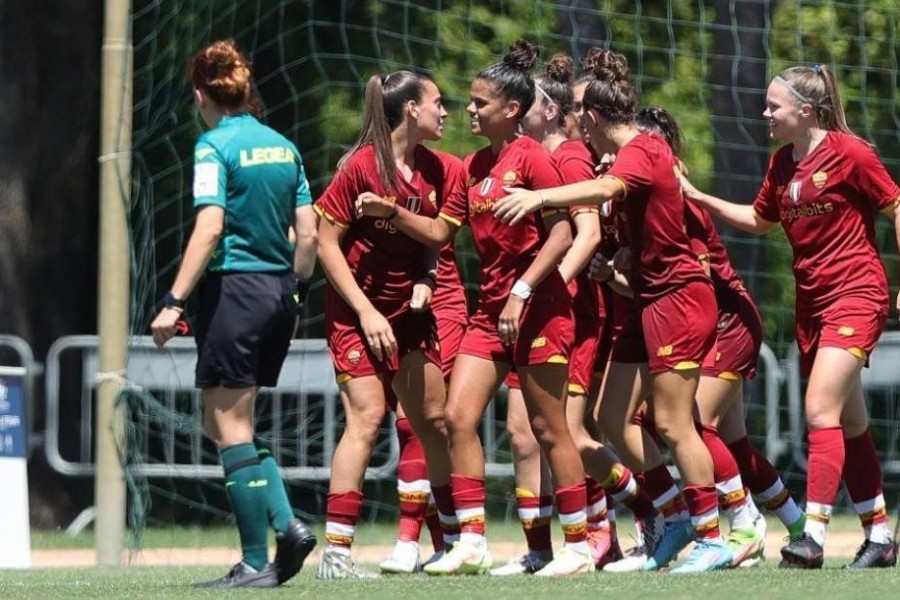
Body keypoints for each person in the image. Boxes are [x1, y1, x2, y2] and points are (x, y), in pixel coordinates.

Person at [358, 40, 594, 578]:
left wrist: (522, 291)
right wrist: (391, 211)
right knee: (455, 418)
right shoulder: (471, 166)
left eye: (479, 104)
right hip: (490, 314)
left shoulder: (534, 157)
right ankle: (473, 541)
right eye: (466, 101)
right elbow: (441, 231)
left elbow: (563, 233)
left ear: (511, 111)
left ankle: (577, 546)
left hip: (540, 309)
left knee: (548, 426)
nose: (467, 110)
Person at [493, 47, 733, 573]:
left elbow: (605, 189)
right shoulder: (623, 155)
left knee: (671, 423)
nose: (576, 124)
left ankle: (714, 535)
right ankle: (673, 519)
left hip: (678, 298)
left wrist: (539, 200)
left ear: (594, 118)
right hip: (643, 297)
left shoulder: (643, 151)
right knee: (609, 418)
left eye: (579, 114)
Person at [678, 64, 900, 569]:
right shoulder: (782, 164)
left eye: (774, 105)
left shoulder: (851, 153)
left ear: (806, 109)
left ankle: (813, 535)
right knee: (850, 421)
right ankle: (881, 536)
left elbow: (896, 205)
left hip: (857, 294)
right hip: (812, 305)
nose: (765, 113)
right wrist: (698, 198)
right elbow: (759, 221)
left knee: (819, 409)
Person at [150, 39, 318, 588]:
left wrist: (174, 300)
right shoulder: (283, 146)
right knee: (229, 423)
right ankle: (283, 531)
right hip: (279, 293)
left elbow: (211, 227)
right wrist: (295, 288)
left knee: (227, 424)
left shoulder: (212, 146)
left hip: (235, 290)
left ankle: (261, 551)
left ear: (202, 93)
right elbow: (309, 232)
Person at [313, 70, 457, 578]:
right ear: (412, 109)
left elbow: (436, 238)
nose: (447, 111)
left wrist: (428, 277)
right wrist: (366, 311)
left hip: (410, 314)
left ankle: (453, 544)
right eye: (439, 102)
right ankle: (336, 554)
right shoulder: (358, 167)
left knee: (433, 422)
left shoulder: (439, 170)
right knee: (368, 417)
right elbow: (324, 241)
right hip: (358, 314)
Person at [491, 52, 622, 576]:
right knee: (524, 433)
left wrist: (544, 288)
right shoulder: (519, 157)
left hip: (569, 313)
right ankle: (541, 546)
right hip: (531, 312)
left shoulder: (567, 157)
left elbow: (585, 234)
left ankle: (638, 516)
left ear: (546, 109)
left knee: (567, 433)